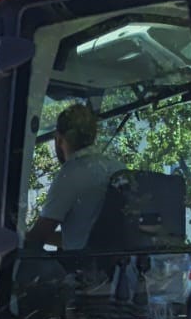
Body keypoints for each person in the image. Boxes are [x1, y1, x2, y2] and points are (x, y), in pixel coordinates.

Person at [25, 103, 124, 251]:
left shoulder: (70, 174)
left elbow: (39, 236)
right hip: (120, 266)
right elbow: (82, 236)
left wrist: (20, 238)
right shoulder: (118, 167)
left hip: (85, 268)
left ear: (58, 139)